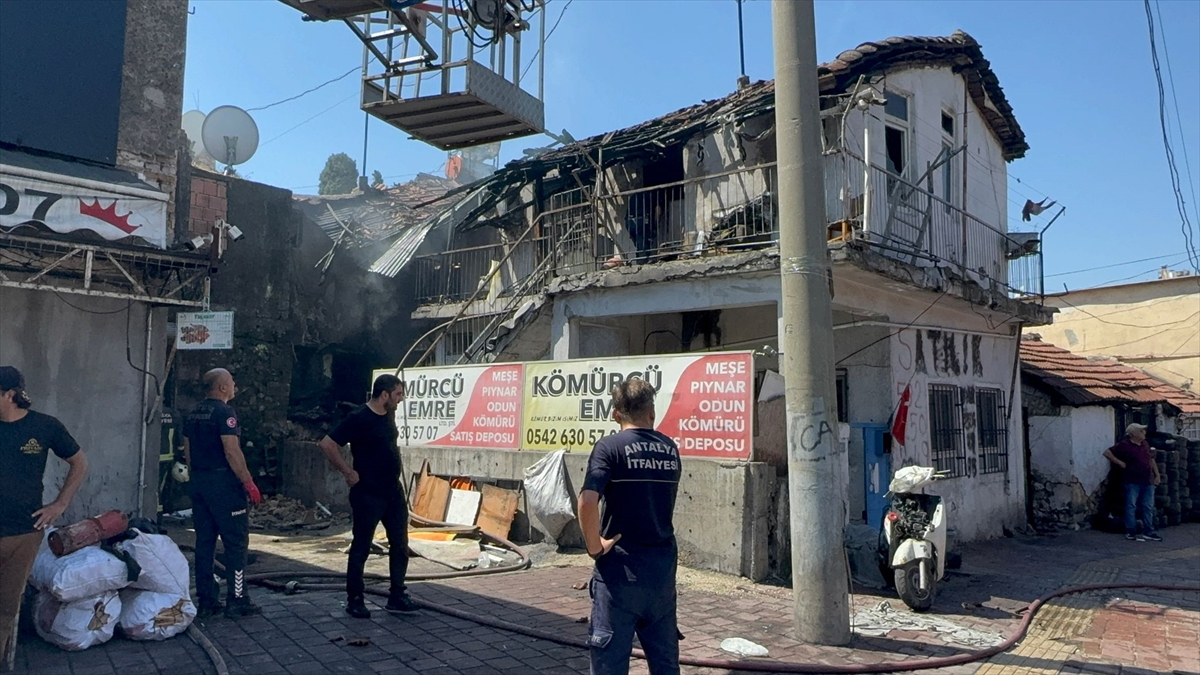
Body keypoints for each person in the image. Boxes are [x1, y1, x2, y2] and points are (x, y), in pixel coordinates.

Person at [578, 379, 682, 675]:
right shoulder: (670, 449)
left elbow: (587, 501)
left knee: (609, 664)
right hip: (661, 576)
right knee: (665, 664)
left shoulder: (609, 448)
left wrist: (595, 547)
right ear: (651, 412)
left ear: (615, 414)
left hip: (619, 576)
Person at [0, 366, 88, 663]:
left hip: (24, 532)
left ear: (9, 395)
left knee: (6, 606)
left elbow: (79, 463)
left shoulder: (44, 427)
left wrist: (59, 504)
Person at [318, 374, 417, 619]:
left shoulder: (389, 415)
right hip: (368, 493)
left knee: (400, 545)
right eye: (397, 394)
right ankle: (355, 599)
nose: (400, 399)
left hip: (392, 491)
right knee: (362, 546)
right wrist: (347, 472)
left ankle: (397, 594)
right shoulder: (358, 418)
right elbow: (327, 444)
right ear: (384, 395)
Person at [184, 368, 262, 619]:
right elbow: (232, 450)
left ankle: (206, 599)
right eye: (231, 382)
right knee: (236, 543)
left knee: (204, 542)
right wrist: (248, 482)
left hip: (199, 481)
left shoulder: (193, 413)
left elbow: (188, 451)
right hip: (224, 485)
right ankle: (237, 598)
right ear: (221, 388)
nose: (234, 385)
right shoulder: (225, 413)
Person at [1103, 422, 1163, 542]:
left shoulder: (1145, 444)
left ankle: (1148, 531)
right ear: (1133, 433)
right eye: (1141, 431)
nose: (1144, 433)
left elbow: (1151, 460)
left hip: (1147, 480)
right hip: (1132, 480)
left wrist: (1157, 475)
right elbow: (1107, 453)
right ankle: (1131, 531)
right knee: (1131, 506)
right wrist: (1120, 463)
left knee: (1148, 506)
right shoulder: (1124, 445)